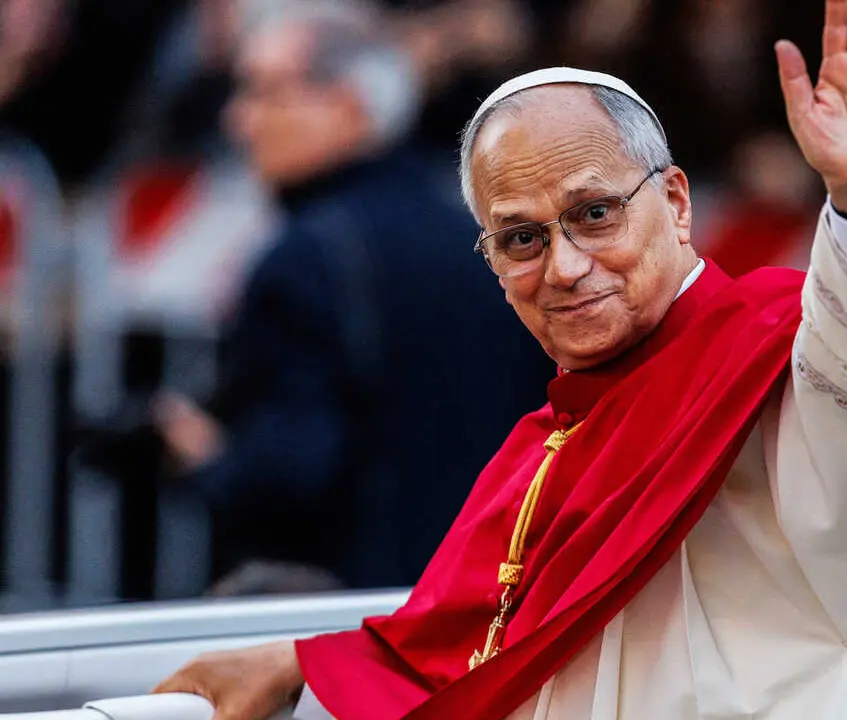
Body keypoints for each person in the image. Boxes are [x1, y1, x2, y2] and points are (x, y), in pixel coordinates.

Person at [155, 1, 847, 718]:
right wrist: (295, 663)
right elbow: (471, 642)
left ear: (679, 203)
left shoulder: (781, 356)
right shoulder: (546, 443)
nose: (565, 267)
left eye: (595, 214)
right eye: (520, 240)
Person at [153, 0, 552, 591]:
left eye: (264, 92)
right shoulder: (479, 235)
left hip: (349, 622)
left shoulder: (305, 260)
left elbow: (292, 474)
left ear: (348, 105)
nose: (239, 120)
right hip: (488, 601)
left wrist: (201, 456)